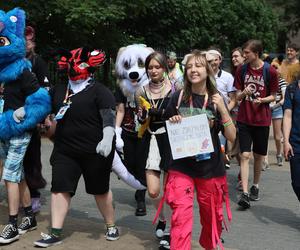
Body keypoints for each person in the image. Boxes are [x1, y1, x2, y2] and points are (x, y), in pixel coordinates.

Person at [34, 47, 119, 247]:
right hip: (65, 150)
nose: (75, 68)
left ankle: (111, 224)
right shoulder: (59, 89)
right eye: (72, 63)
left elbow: (108, 117)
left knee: (100, 190)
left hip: (95, 151)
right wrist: (34, 117)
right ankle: (55, 232)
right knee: (59, 188)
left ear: (90, 66)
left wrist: (107, 138)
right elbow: (42, 109)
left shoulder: (100, 90)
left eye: (79, 63)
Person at [163, 50, 235, 250]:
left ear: (208, 69)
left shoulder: (216, 98)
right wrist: (174, 121)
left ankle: (209, 245)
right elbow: (167, 128)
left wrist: (221, 108)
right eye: (189, 67)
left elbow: (232, 136)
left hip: (210, 169)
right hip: (181, 167)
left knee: (212, 219)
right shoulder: (177, 98)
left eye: (198, 66)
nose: (193, 70)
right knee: (180, 218)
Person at [0, 8, 51, 245]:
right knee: (17, 175)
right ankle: (29, 216)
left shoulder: (22, 70)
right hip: (3, 131)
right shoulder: (2, 73)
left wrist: (23, 116)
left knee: (9, 176)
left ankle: (12, 223)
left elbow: (41, 101)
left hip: (18, 131)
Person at [136, 51, 179, 248]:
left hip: (170, 139)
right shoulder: (141, 91)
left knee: (171, 191)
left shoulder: (175, 88)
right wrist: (142, 116)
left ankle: (170, 229)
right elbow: (140, 120)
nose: (153, 70)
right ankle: (162, 217)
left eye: (157, 67)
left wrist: (163, 113)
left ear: (164, 68)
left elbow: (180, 113)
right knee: (153, 191)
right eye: (150, 67)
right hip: (151, 139)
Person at [234, 39, 278, 209]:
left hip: (262, 119)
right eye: (243, 52)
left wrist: (262, 100)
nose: (244, 55)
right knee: (245, 155)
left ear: (256, 53)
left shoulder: (270, 72)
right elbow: (237, 96)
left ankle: (255, 185)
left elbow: (274, 95)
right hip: (244, 118)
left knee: (259, 156)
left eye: (247, 53)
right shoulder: (241, 70)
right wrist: (243, 93)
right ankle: (244, 193)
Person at [23, 26, 50, 213]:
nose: (26, 44)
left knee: (32, 156)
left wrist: (42, 115)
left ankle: (33, 194)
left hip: (30, 115)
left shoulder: (37, 62)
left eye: (28, 41)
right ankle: (18, 193)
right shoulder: (8, 61)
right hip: (9, 115)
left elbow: (44, 90)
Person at [206, 49, 236, 169]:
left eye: (214, 60)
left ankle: (224, 158)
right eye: (209, 61)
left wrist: (223, 111)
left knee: (224, 140)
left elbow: (233, 99)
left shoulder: (228, 77)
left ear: (219, 60)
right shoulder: (201, 76)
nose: (212, 63)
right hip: (206, 114)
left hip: (222, 114)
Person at [283, 76, 300, 202]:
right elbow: (288, 116)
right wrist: (286, 141)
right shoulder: (292, 89)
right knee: (297, 183)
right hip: (295, 142)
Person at [269, 62, 287, 166]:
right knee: (264, 135)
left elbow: (284, 98)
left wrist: (275, 106)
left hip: (277, 108)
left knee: (277, 136)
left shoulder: (282, 82)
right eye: (272, 68)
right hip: (266, 108)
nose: (274, 70)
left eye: (276, 68)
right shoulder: (267, 81)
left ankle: (279, 154)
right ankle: (264, 159)